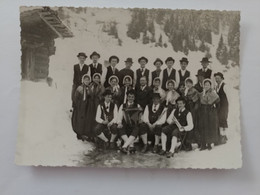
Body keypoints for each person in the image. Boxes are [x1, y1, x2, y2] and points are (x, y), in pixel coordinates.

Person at [117, 90, 143, 154]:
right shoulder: (123, 105)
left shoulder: (138, 105)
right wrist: (119, 123)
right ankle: (131, 145)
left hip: (134, 123)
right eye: (129, 97)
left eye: (132, 97)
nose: (130, 98)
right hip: (126, 123)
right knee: (120, 127)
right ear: (127, 97)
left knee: (137, 128)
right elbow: (119, 116)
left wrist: (140, 119)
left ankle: (124, 146)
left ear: (134, 98)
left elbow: (140, 115)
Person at [198, 79, 220, 150]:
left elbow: (217, 100)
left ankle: (209, 143)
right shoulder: (202, 93)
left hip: (210, 112)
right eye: (205, 85)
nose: (206, 86)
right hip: (203, 111)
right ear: (203, 86)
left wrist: (213, 106)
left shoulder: (212, 92)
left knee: (209, 127)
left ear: (210, 86)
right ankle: (203, 144)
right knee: (203, 127)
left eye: (208, 85)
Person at [71, 74, 91, 140]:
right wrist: (76, 106)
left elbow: (90, 97)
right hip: (80, 106)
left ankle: (84, 133)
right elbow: (75, 97)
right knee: (79, 120)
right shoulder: (79, 88)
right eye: (85, 80)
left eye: (88, 80)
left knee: (85, 120)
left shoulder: (89, 88)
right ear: (83, 80)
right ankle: (78, 133)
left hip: (86, 107)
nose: (87, 81)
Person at [87, 73, 105, 140]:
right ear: (93, 79)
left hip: (97, 103)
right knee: (91, 118)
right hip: (91, 104)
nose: (96, 79)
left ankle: (96, 135)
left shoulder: (101, 86)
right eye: (95, 78)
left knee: (97, 117)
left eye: (98, 78)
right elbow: (88, 93)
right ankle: (90, 134)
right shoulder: (90, 85)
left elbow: (102, 95)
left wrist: (98, 97)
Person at [184, 78, 200, 148]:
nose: (188, 84)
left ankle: (199, 142)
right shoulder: (186, 91)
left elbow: (197, 102)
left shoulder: (194, 91)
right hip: (187, 109)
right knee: (188, 125)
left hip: (193, 109)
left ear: (192, 84)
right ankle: (188, 143)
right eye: (187, 83)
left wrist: (194, 111)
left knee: (194, 125)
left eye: (189, 83)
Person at [214, 72, 229, 144]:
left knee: (223, 120)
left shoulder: (224, 86)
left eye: (218, 78)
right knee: (219, 120)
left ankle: (224, 136)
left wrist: (227, 106)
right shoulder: (216, 86)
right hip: (218, 106)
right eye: (216, 78)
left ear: (222, 78)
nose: (217, 80)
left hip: (224, 106)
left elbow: (229, 97)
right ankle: (222, 136)